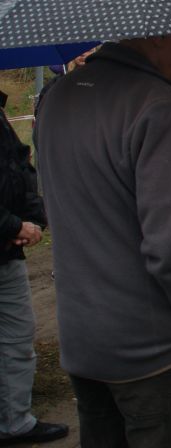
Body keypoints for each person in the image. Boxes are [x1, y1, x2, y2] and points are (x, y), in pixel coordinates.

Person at [35, 31, 171, 448]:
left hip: (84, 340)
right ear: (157, 36)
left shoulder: (58, 95)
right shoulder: (163, 109)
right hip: (159, 351)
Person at [0, 96, 68, 446]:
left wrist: (32, 216)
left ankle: (14, 420)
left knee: (16, 335)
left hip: (6, 251)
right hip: (6, 238)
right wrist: (12, 225)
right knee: (14, 335)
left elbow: (18, 165)